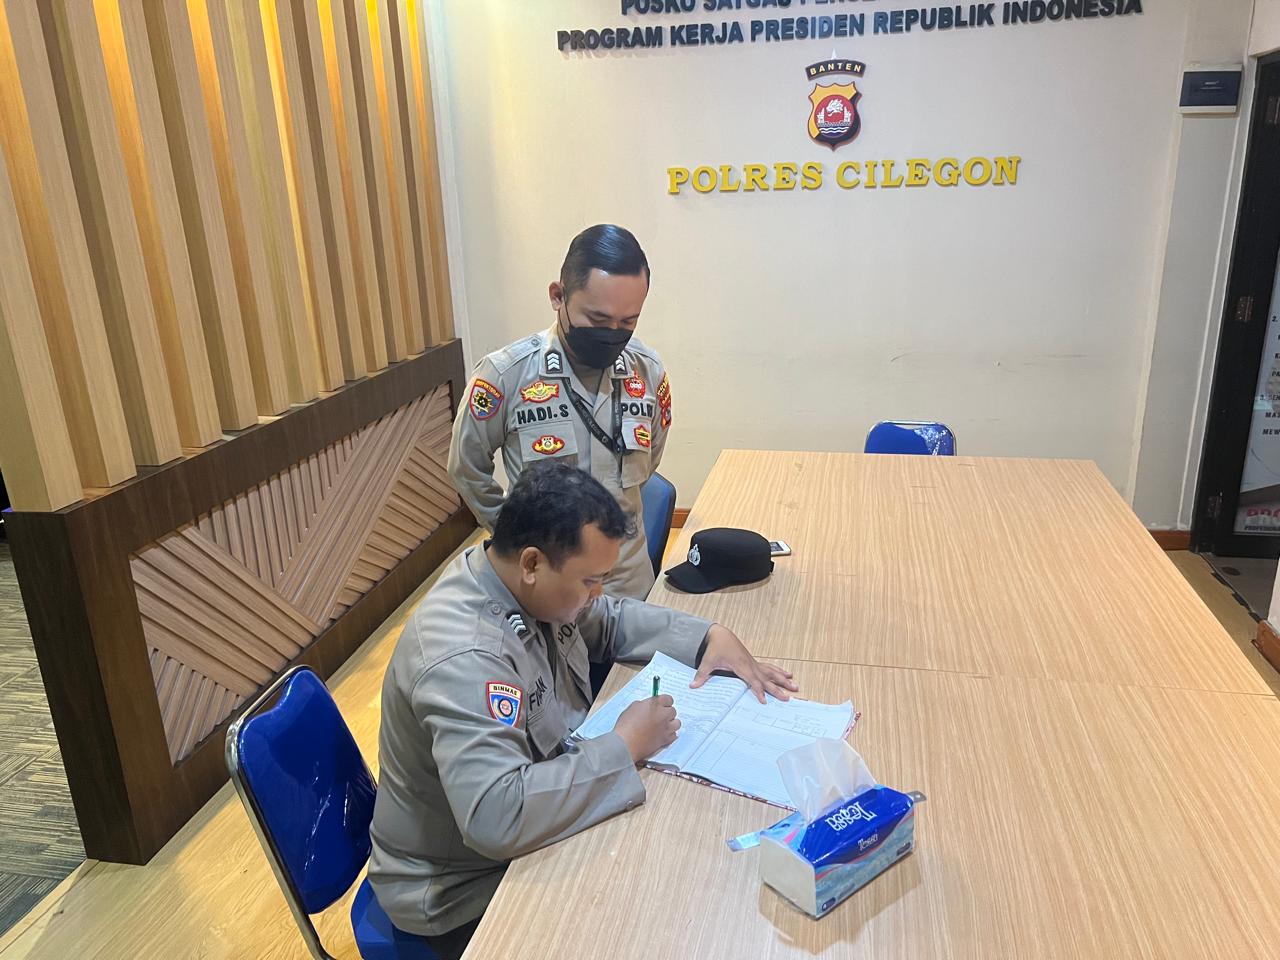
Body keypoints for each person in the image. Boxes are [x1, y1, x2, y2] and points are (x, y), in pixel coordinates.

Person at [368, 461, 797, 959]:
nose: (597, 594)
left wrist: (707, 637)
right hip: (462, 891)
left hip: (529, 824)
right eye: (590, 581)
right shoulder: (465, 657)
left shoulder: (524, 584)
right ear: (532, 563)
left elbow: (608, 619)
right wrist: (624, 746)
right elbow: (496, 816)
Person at [447, 224, 674, 602]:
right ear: (558, 295)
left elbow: (648, 464)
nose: (612, 333)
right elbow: (466, 467)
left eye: (627, 322)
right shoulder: (506, 375)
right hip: (546, 588)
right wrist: (515, 537)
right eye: (598, 320)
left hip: (629, 584)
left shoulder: (647, 372)